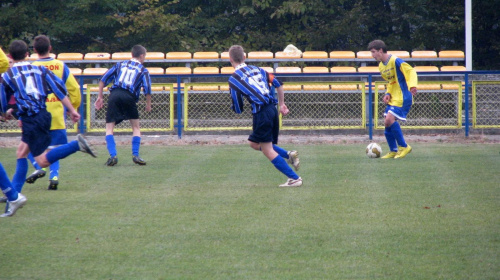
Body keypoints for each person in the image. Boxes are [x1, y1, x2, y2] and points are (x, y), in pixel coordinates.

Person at [0, 40, 96, 217]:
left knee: (42, 161)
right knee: (21, 152)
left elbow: (3, 99)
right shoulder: (41, 69)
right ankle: (13, 197)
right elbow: (60, 91)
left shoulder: (8, 75)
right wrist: (73, 110)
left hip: (31, 119)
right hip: (44, 115)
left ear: (11, 56)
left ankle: (76, 146)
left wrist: (5, 112)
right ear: (28, 54)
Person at [227, 45, 302, 187]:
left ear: (230, 59)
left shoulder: (234, 79)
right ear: (244, 57)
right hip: (272, 110)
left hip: (261, 113)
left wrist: (236, 108)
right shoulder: (258, 69)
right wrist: (281, 104)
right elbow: (278, 84)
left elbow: (238, 107)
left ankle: (294, 178)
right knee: (255, 143)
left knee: (267, 149)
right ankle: (289, 155)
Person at [24, 35, 82, 190]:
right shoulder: (60, 65)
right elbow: (74, 89)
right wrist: (73, 107)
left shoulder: (30, 66)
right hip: (57, 112)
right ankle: (54, 176)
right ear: (50, 48)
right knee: (55, 148)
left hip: (37, 113)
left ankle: (39, 166)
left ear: (35, 50)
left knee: (27, 145)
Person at [94, 45, 152, 166]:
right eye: (144, 56)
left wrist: (100, 97)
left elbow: (103, 80)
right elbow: (147, 89)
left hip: (114, 94)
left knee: (109, 128)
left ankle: (113, 156)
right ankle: (135, 155)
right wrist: (148, 104)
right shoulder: (143, 70)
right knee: (136, 127)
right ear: (141, 56)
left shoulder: (120, 64)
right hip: (129, 96)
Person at [368, 40, 418, 159]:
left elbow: (411, 71)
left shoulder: (395, 60)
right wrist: (388, 93)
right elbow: (391, 81)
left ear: (381, 50)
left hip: (403, 96)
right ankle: (393, 150)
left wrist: (412, 85)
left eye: (374, 52)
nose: (372, 55)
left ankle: (404, 146)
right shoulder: (381, 66)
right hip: (394, 97)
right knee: (387, 122)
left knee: (389, 119)